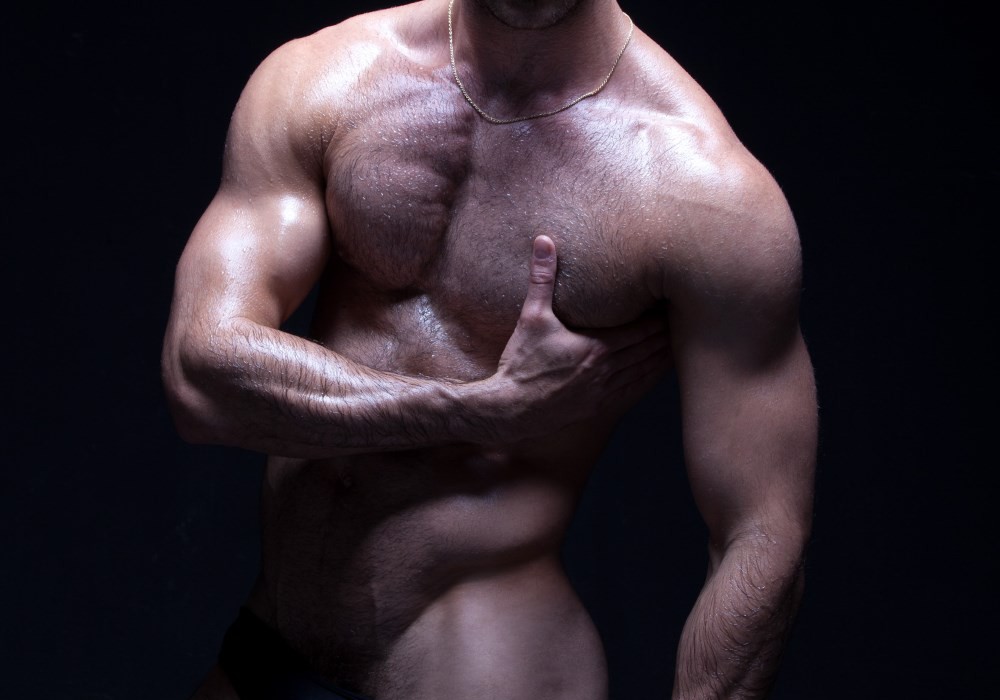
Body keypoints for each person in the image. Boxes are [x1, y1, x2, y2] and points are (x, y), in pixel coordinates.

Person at [162, 0, 817, 698]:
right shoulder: (326, 78)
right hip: (274, 641)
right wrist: (476, 409)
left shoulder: (706, 191)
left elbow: (761, 532)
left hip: (479, 666)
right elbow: (200, 382)